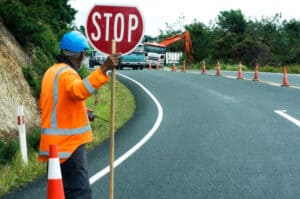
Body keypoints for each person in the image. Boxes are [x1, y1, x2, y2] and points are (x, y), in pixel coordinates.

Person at [38, 31, 120, 199]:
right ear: (80, 54)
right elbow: (79, 91)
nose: (84, 59)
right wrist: (103, 69)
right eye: (84, 54)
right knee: (79, 193)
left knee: (61, 193)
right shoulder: (67, 73)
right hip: (69, 147)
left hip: (54, 148)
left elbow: (57, 104)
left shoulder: (51, 72)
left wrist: (81, 111)